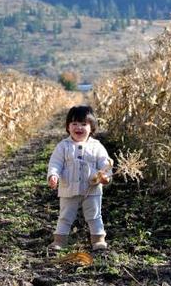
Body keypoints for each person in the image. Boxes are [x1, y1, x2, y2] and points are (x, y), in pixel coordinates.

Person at [47, 105, 112, 251]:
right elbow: (55, 163)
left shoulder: (97, 146)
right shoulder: (63, 146)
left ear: (92, 127)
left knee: (94, 215)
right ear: (68, 127)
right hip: (68, 188)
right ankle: (59, 240)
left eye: (84, 124)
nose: (79, 128)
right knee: (65, 216)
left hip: (92, 190)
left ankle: (98, 239)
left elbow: (105, 164)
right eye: (74, 124)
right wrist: (53, 175)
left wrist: (105, 176)